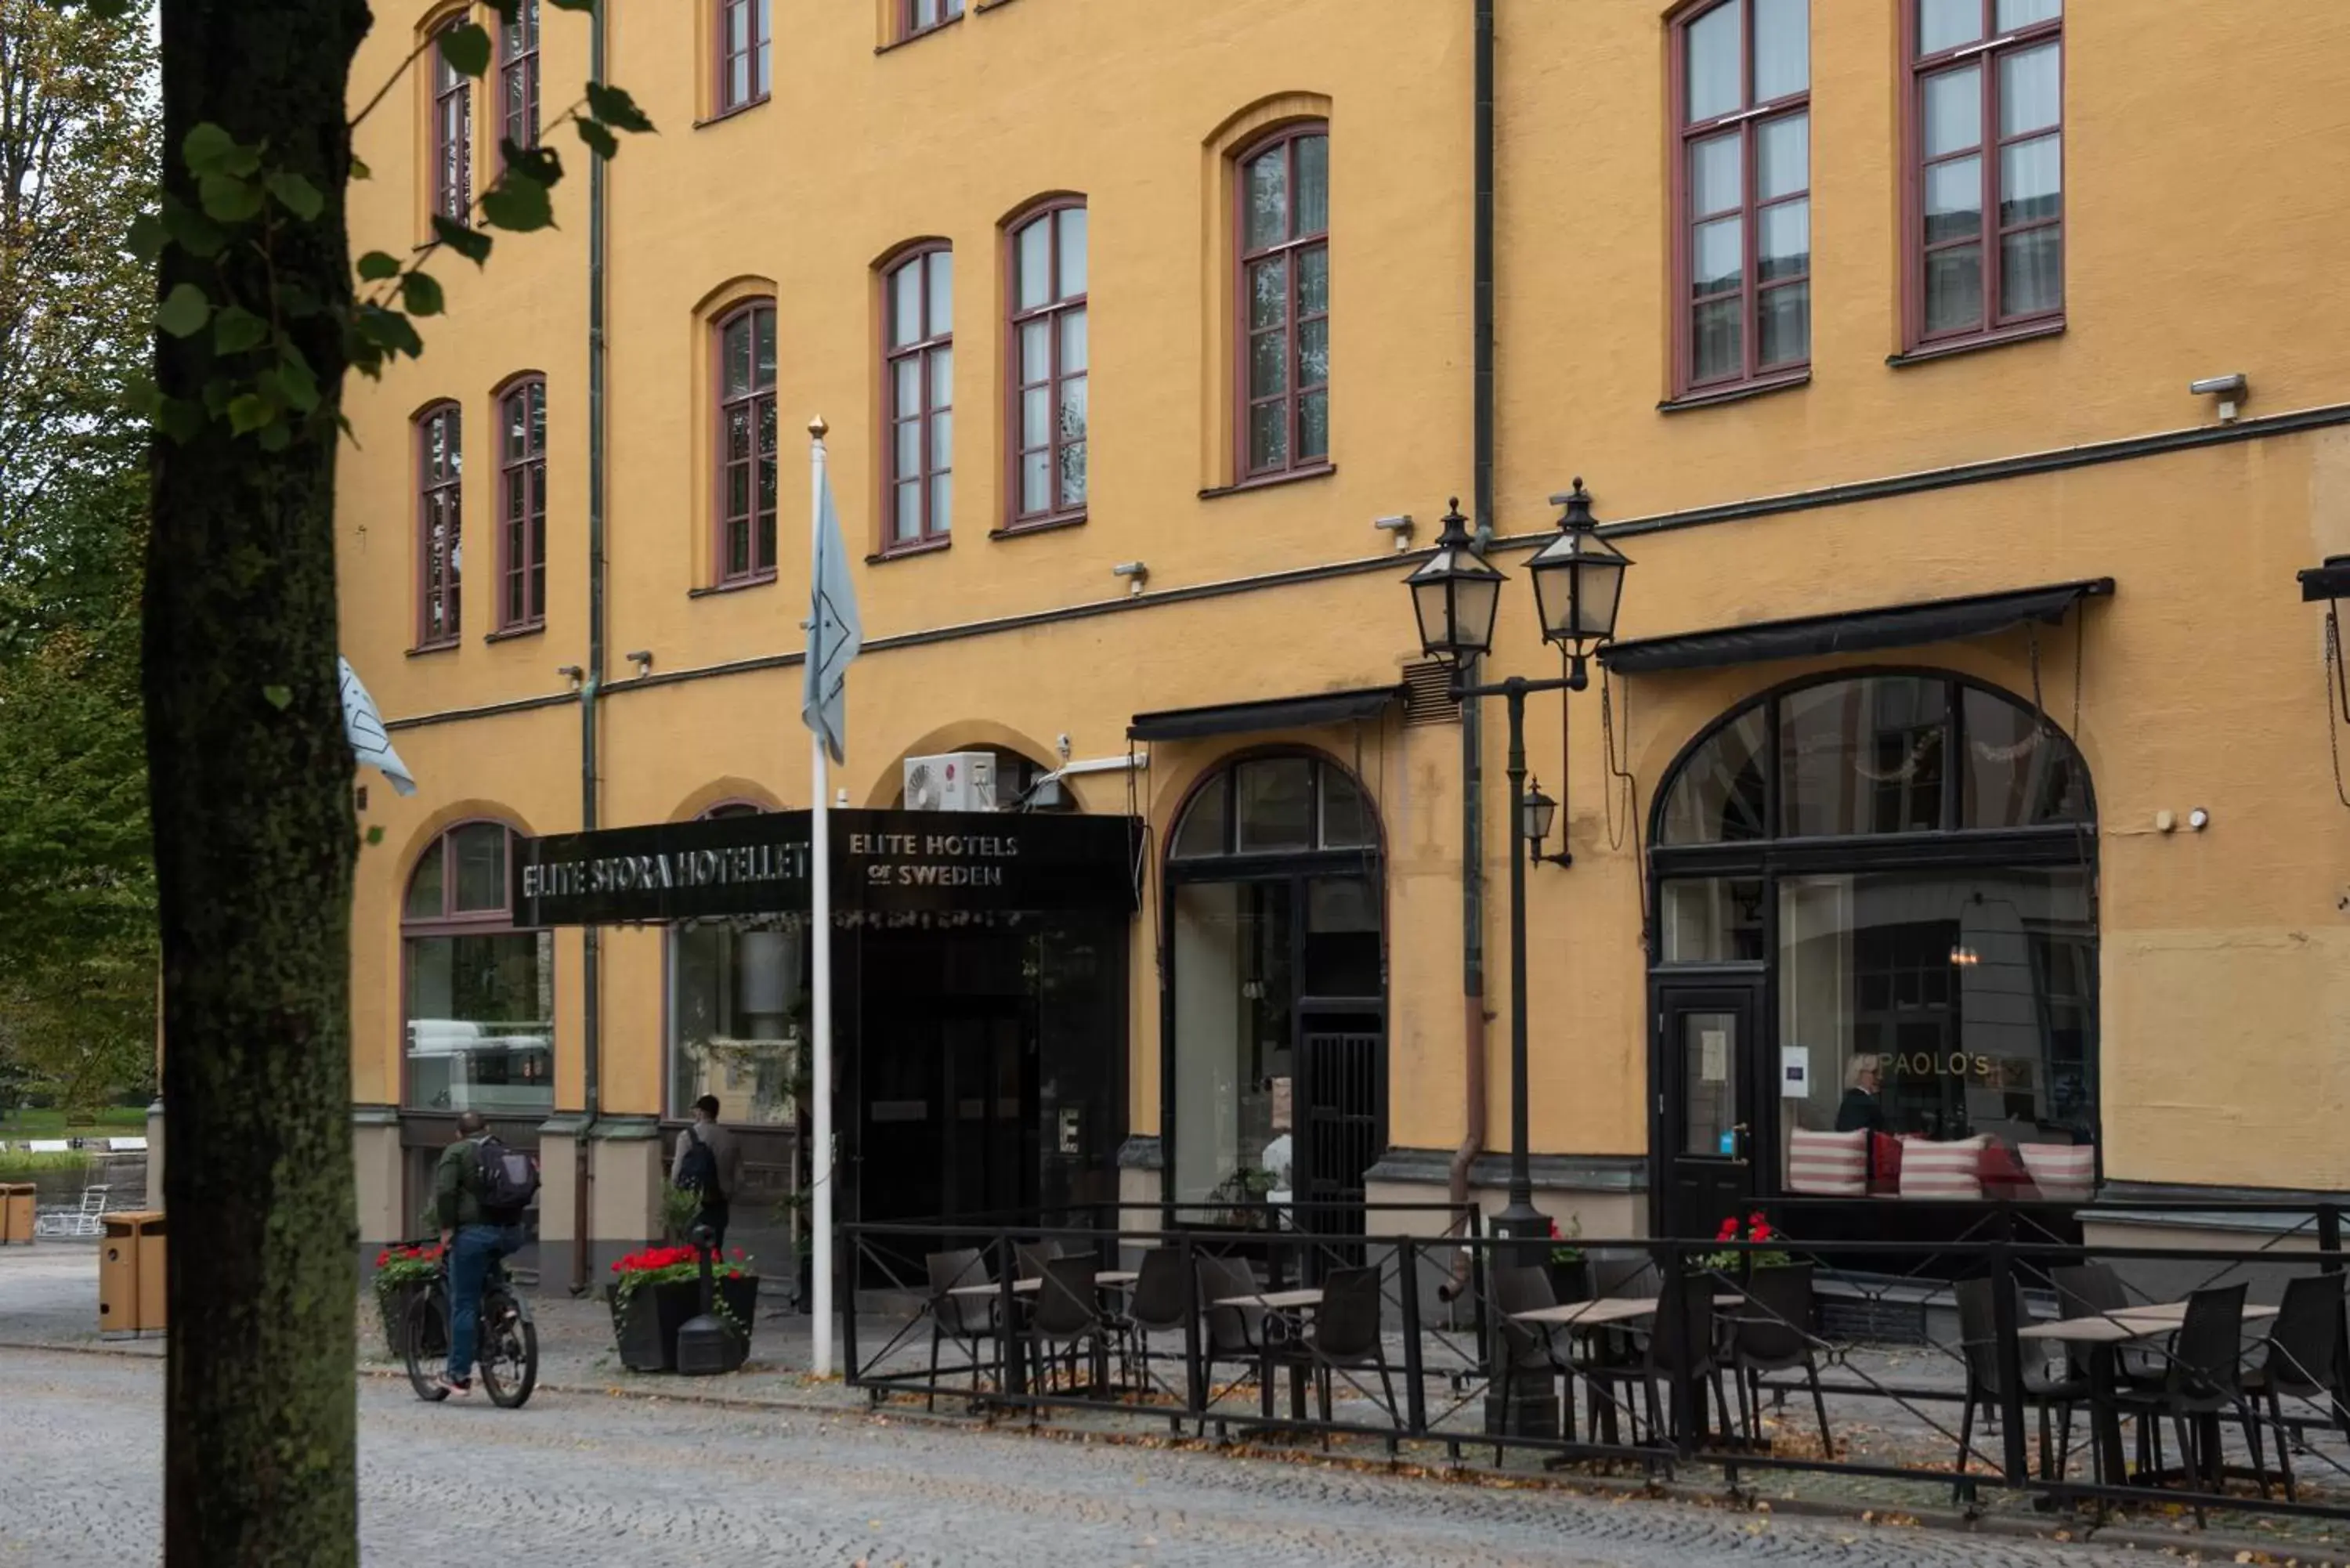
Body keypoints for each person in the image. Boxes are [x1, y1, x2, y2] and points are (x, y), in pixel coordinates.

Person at [434, 1110, 526, 1398]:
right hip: (511, 1232)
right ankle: (502, 1308)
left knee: (464, 1303)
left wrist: (447, 1228)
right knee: (490, 1273)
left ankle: (458, 1376)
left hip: (474, 1235)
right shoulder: (502, 1149)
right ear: (487, 1128)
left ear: (458, 1133)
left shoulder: (456, 1152)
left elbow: (445, 1192)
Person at [671, 1094, 744, 1251]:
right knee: (716, 1248)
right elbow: (740, 1178)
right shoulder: (731, 1138)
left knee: (693, 1251)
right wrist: (729, 1194)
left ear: (701, 1112)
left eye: (695, 1111)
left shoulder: (686, 1137)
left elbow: (676, 1173)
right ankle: (715, 1274)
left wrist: (678, 1194)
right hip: (720, 1202)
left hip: (693, 1202)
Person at [1835, 1055, 1887, 1135]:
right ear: (1859, 1074)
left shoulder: (1849, 1101)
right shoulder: (1862, 1103)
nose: (1880, 1077)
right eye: (1874, 1072)